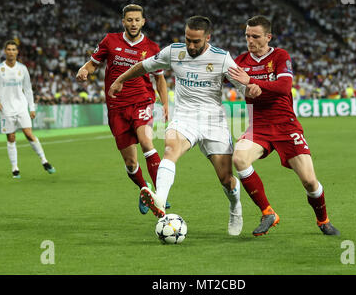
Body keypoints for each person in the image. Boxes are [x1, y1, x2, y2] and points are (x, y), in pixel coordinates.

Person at [109, 16, 262, 236]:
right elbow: (144, 65)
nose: (190, 46)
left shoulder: (222, 58)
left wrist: (253, 88)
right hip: (185, 117)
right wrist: (120, 79)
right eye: (188, 40)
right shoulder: (173, 52)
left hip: (213, 121)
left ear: (207, 38)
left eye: (196, 42)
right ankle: (160, 199)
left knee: (226, 179)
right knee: (170, 149)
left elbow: (244, 85)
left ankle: (235, 206)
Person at [228, 15, 340, 236]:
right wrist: (245, 88)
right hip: (258, 125)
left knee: (309, 180)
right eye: (247, 36)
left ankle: (323, 220)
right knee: (239, 159)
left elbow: (283, 86)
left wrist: (252, 82)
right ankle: (268, 212)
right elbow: (224, 79)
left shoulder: (280, 56)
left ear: (268, 37)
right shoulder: (240, 61)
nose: (250, 40)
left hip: (285, 125)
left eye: (255, 36)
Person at [76, 4, 170, 215]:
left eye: (137, 20)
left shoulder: (153, 48)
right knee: (130, 162)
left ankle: (161, 195)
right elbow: (92, 64)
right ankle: (144, 188)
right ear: (123, 22)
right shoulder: (110, 41)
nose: (133, 23)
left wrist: (164, 103)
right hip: (116, 106)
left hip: (142, 101)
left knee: (147, 142)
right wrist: (83, 70)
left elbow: (160, 78)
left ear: (143, 21)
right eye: (129, 20)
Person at [0, 40, 56, 179]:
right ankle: (15, 168)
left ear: (17, 52)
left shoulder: (22, 68)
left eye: (13, 49)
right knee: (11, 138)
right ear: (5, 51)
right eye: (9, 49)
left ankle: (44, 161)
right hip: (6, 109)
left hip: (21, 107)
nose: (11, 52)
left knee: (28, 134)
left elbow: (28, 89)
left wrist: (32, 107)